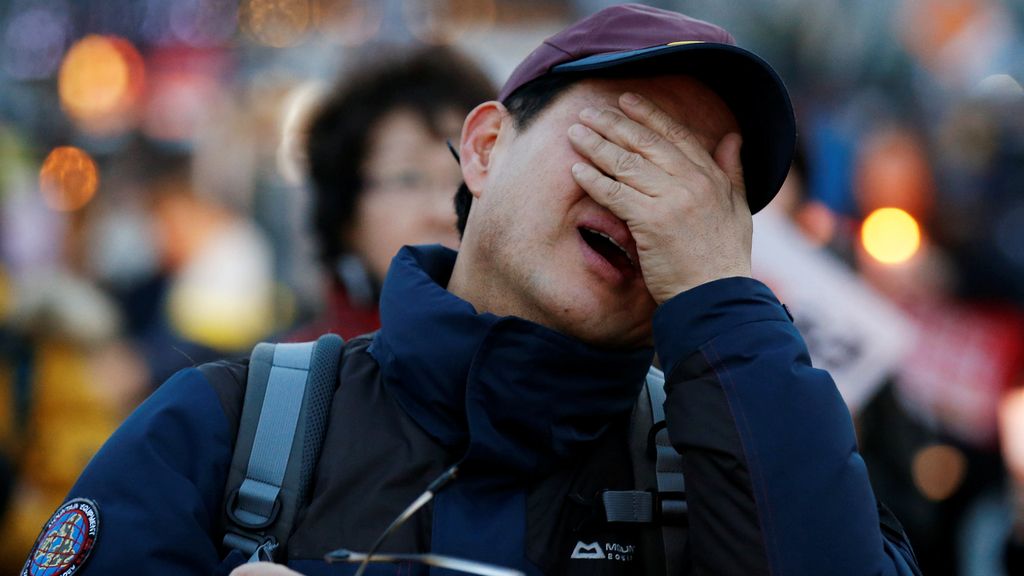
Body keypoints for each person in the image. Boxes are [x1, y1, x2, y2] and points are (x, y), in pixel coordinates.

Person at [22, 5, 921, 576]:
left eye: (703, 189)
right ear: (487, 148)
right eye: (626, 139)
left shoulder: (737, 465)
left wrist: (723, 300)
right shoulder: (226, 431)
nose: (653, 200)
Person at [291, 45, 496, 341]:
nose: (445, 211)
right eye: (408, 179)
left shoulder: (548, 369)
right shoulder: (302, 378)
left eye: (465, 177)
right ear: (347, 217)